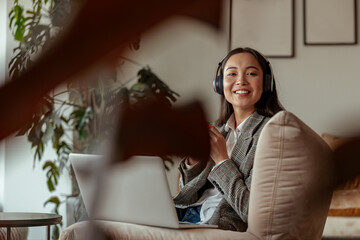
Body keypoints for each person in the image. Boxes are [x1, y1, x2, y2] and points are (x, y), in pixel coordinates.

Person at [173, 47, 284, 231]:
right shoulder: (218, 130)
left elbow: (252, 212)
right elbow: (188, 195)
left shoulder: (272, 133)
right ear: (219, 84)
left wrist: (222, 160)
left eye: (251, 73)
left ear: (266, 83)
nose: (240, 81)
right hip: (187, 216)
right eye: (232, 74)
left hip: (220, 224)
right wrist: (195, 160)